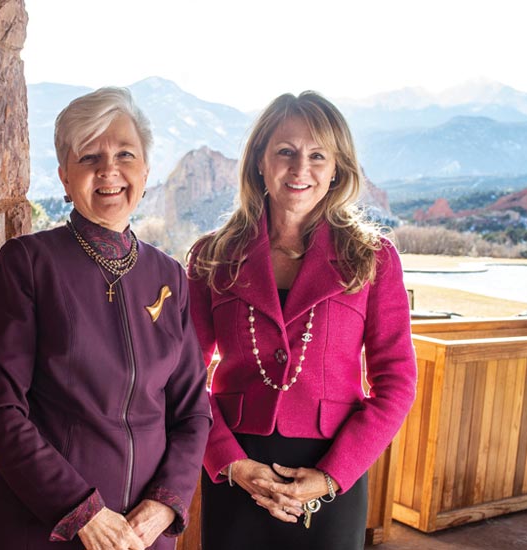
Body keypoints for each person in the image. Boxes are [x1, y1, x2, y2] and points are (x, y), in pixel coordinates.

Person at [0, 87, 212, 550]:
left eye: (125, 153)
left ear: (144, 170)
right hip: (43, 530)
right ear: (64, 177)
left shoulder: (169, 276)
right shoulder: (26, 263)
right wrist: (82, 511)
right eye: (88, 157)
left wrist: (165, 505)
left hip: (142, 537)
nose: (109, 170)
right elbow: (2, 410)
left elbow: (192, 413)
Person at [187, 91, 417, 549]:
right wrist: (230, 462)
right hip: (236, 469)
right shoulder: (212, 257)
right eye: (285, 152)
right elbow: (184, 375)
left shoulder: (373, 259)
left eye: (317, 155)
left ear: (337, 169)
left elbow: (397, 382)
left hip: (332, 474)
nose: (300, 169)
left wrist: (334, 475)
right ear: (259, 161)